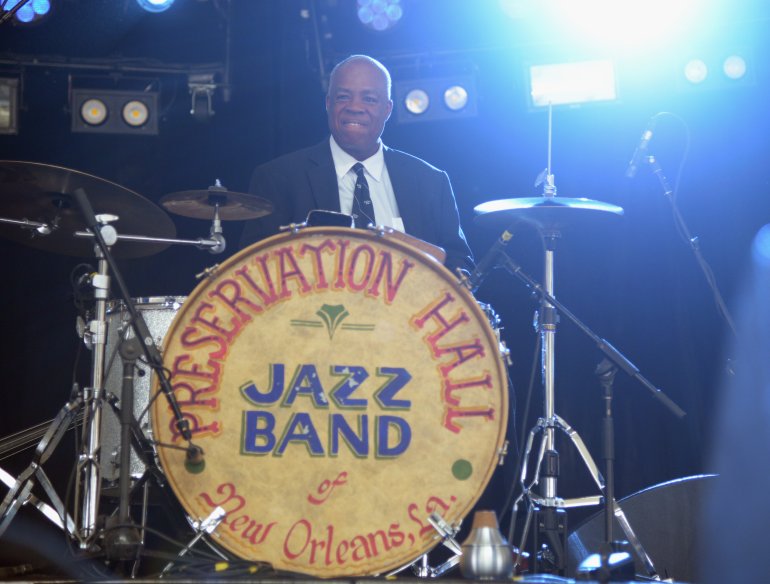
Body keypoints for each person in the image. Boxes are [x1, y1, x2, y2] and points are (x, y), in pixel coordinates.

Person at [239, 54, 473, 273]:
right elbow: (254, 270)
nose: (355, 107)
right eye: (343, 97)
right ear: (328, 103)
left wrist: (409, 247)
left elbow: (460, 270)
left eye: (369, 99)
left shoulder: (430, 181)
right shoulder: (279, 178)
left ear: (388, 109)